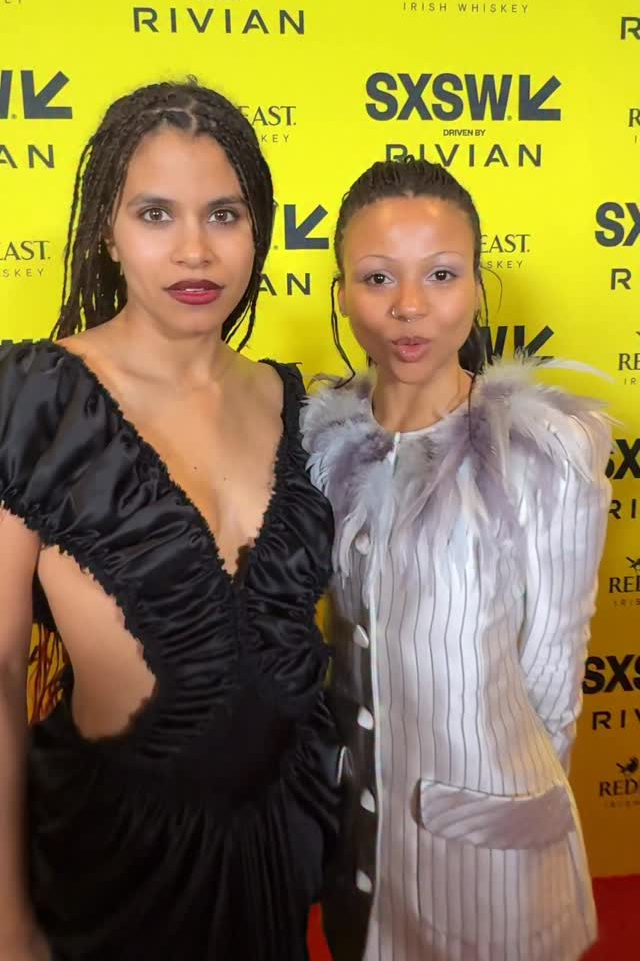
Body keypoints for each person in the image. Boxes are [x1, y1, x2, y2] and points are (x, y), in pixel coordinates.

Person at [0, 80, 340, 961]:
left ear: (258, 230)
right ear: (105, 233)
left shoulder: (303, 405)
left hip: (274, 854)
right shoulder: (30, 402)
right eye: (155, 214)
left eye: (224, 215)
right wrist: (6, 926)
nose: (195, 250)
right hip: (107, 868)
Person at [301, 157, 611, 961]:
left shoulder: (543, 454)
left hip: (490, 857)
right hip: (357, 847)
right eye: (377, 277)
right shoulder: (321, 447)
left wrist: (509, 808)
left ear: (476, 286)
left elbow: (553, 675)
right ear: (342, 293)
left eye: (440, 274)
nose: (409, 306)